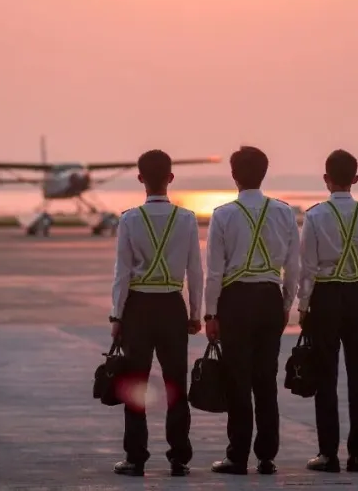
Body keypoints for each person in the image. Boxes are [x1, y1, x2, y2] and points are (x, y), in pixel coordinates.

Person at [203, 145, 300, 475]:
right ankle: (267, 455)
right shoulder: (285, 212)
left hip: (236, 300)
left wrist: (211, 313)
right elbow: (294, 265)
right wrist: (287, 303)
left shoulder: (223, 214)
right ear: (264, 172)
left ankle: (238, 454)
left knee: (238, 379)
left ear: (234, 175)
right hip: (270, 297)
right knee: (266, 379)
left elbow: (215, 270)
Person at [109, 149, 204, 477]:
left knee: (135, 382)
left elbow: (122, 273)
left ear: (140, 178)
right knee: (176, 382)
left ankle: (136, 457)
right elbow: (195, 270)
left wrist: (116, 316)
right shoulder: (187, 218)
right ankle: (179, 457)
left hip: (138, 307)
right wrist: (196, 313)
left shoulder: (129, 219)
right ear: (171, 178)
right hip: (171, 305)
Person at [297, 149, 358, 473]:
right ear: (356, 179)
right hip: (357, 296)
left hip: (325, 297)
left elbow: (306, 267)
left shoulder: (316, 215)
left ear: (326, 179)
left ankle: (327, 453)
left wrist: (303, 306)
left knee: (326, 377)